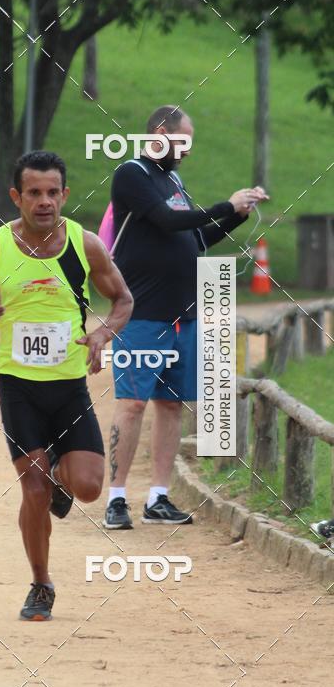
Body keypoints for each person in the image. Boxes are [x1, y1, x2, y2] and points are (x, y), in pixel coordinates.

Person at [0, 151, 133, 621]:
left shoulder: (86, 245)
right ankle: (41, 584)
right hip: (19, 386)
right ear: (16, 196)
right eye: (33, 192)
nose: (44, 201)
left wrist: (102, 333)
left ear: (65, 195)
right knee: (32, 489)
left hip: (69, 386)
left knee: (91, 488)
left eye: (52, 192)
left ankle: (61, 477)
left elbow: (123, 299)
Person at [103, 106, 269, 530]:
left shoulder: (174, 180)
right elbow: (165, 220)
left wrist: (236, 214)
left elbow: (195, 237)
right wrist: (222, 204)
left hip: (184, 315)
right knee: (133, 403)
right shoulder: (132, 174)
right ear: (161, 133)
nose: (188, 151)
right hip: (141, 314)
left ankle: (158, 497)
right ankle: (117, 498)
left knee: (172, 405)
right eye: (185, 141)